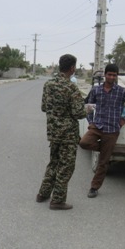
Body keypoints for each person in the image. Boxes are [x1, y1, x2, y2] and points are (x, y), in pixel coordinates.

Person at [79, 64, 125, 198]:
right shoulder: (96, 90)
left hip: (112, 129)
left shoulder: (121, 91)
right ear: (105, 75)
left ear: (116, 76)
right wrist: (91, 122)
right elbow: (88, 107)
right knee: (84, 143)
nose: (111, 77)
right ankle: (105, 150)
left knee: (103, 162)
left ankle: (94, 187)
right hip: (97, 126)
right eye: (109, 74)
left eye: (114, 75)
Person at [37, 54, 90, 210]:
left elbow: (43, 107)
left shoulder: (48, 84)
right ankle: (57, 200)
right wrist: (87, 109)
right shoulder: (71, 87)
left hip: (53, 132)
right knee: (66, 166)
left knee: (53, 162)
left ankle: (43, 194)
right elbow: (79, 113)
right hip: (67, 135)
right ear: (72, 68)